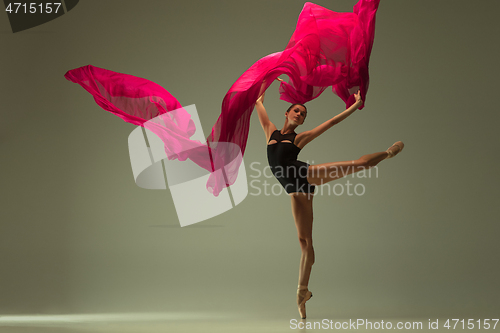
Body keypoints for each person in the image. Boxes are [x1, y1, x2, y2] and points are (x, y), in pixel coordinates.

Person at [255, 78, 404, 319]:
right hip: (295, 191)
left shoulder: (298, 139)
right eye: (297, 111)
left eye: (303, 114)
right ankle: (302, 292)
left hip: (306, 175)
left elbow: (332, 122)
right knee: (306, 245)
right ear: (287, 112)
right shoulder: (270, 132)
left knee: (360, 164)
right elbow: (258, 101)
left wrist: (354, 107)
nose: (300, 115)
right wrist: (269, 77)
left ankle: (387, 154)